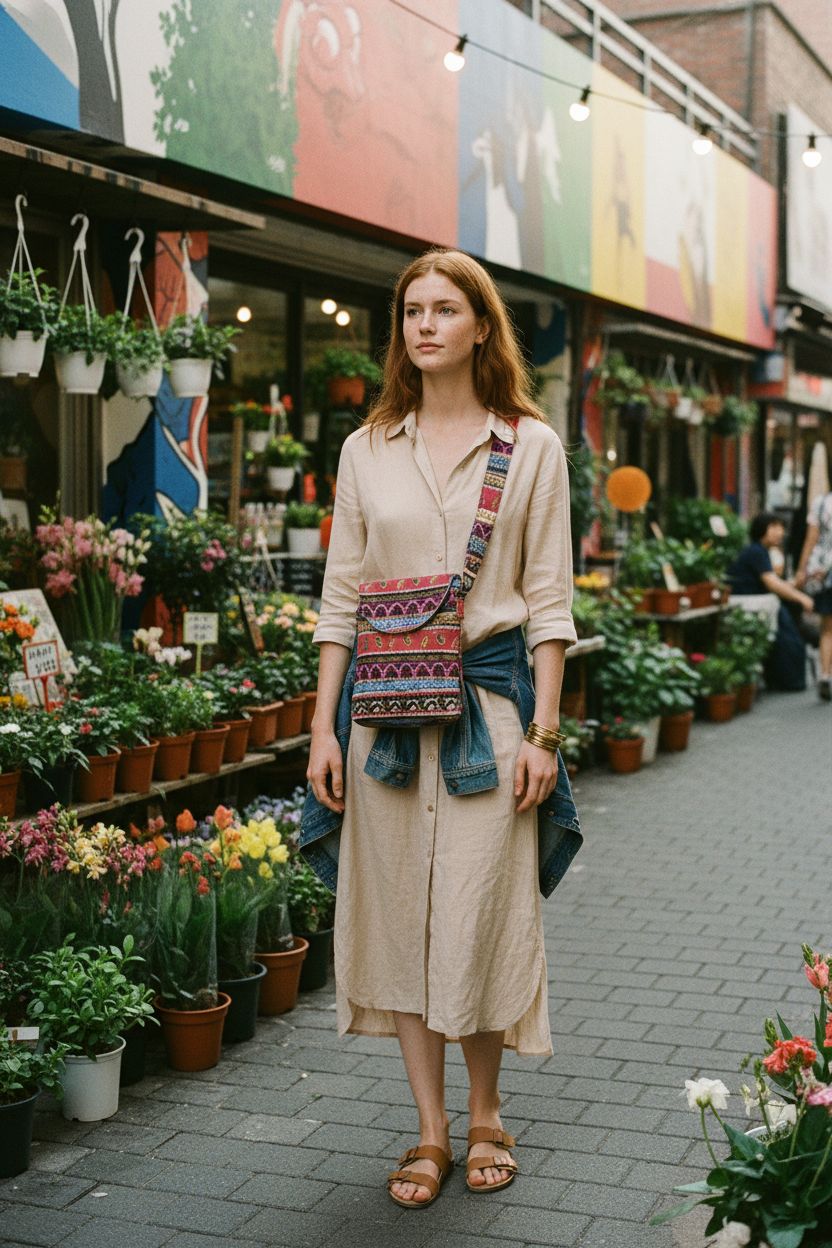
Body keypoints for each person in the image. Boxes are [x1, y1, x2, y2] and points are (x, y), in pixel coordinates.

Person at [301, 248, 581, 1209]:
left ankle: (488, 1110)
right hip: (379, 724)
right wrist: (320, 731)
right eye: (412, 311)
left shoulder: (530, 446)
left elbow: (548, 603)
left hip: (491, 718)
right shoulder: (366, 447)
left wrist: (544, 736)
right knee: (398, 923)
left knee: (475, 913)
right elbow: (340, 599)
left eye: (444, 310)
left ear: (480, 326)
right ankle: (428, 1131)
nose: (424, 325)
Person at [727, 512, 814, 692]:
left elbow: (773, 581)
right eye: (774, 527)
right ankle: (787, 679)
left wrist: (796, 586)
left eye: (781, 527)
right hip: (750, 605)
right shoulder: (756, 551)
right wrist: (801, 597)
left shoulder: (759, 551)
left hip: (757, 603)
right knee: (788, 634)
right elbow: (772, 583)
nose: (779, 532)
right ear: (761, 529)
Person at [795, 489, 832, 701]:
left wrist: (801, 569)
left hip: (824, 572)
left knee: (827, 628)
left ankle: (825, 674)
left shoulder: (821, 502)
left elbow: (811, 538)